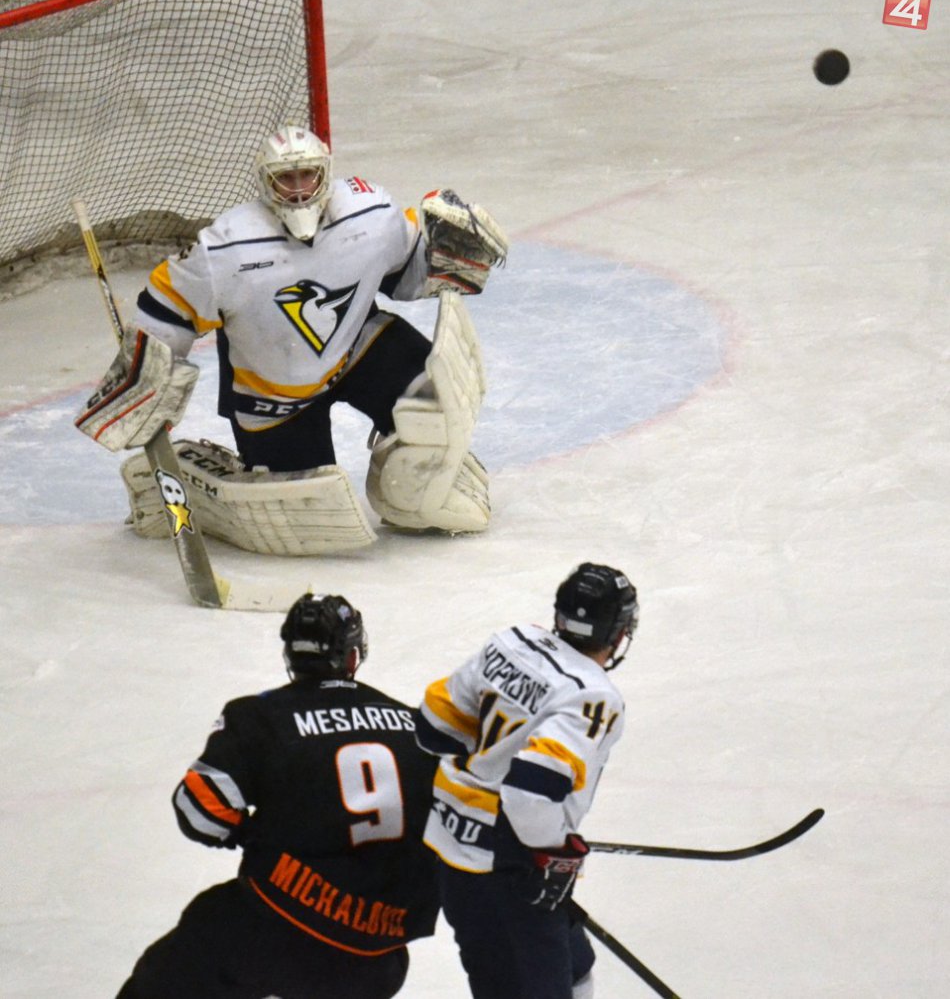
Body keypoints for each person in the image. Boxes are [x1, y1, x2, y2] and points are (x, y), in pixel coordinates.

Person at [76, 123, 507, 555]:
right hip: (274, 398)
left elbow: (403, 272)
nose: (299, 190)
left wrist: (440, 256)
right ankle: (204, 481)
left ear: (326, 174)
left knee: (435, 401)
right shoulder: (225, 248)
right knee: (307, 518)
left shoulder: (369, 212)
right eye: (286, 178)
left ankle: (411, 490)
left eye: (308, 176)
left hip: (358, 350)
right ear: (266, 183)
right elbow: (167, 308)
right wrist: (147, 371)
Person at [116, 592, 440, 999]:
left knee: (186, 956)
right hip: (378, 959)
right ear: (352, 656)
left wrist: (254, 835)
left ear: (291, 654)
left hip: (279, 929)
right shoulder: (413, 724)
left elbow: (200, 809)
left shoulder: (259, 716)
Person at [414, 562, 639, 999]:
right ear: (617, 633)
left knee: (574, 965)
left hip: (454, 855)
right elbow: (528, 794)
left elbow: (433, 726)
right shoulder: (592, 695)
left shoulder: (512, 642)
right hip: (510, 870)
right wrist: (551, 853)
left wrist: (491, 758)